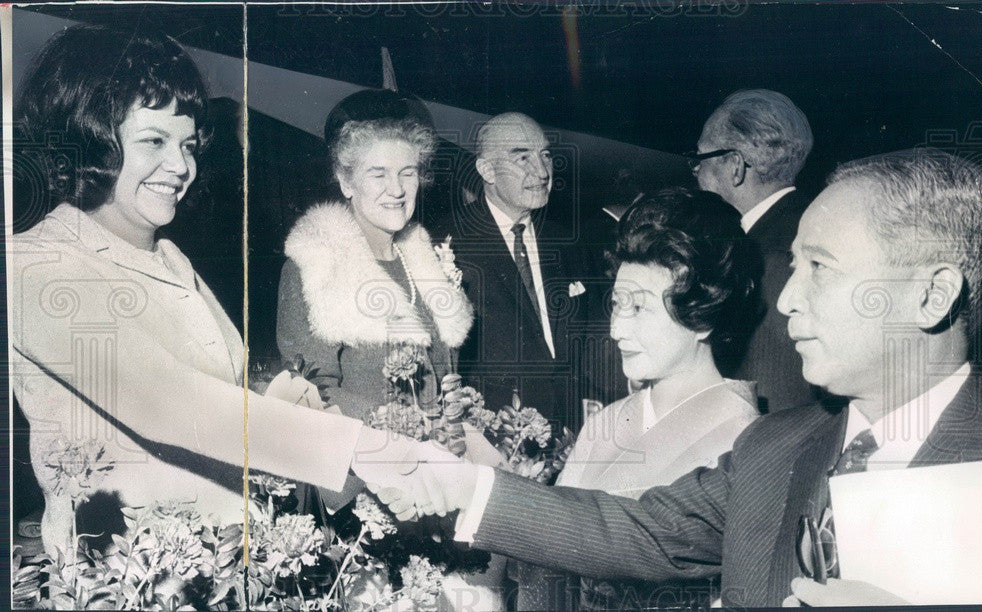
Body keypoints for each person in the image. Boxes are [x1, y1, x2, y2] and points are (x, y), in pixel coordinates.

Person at [383, 148, 982, 607]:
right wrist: (462, 484)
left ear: (931, 295)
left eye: (821, 268)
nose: (786, 301)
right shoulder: (773, 447)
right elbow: (635, 531)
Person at [9, 25, 448, 557]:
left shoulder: (171, 259)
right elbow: (176, 407)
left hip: (231, 563)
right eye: (154, 141)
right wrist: (370, 451)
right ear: (90, 138)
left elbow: (229, 405)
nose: (182, 166)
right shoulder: (35, 264)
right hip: (133, 579)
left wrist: (285, 403)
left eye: (188, 144)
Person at [511, 188, 760, 610]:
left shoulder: (744, 440)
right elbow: (548, 560)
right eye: (616, 304)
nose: (616, 330)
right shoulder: (606, 422)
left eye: (640, 308)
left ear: (702, 316)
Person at [275, 90, 474, 513]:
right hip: (358, 493)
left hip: (435, 485)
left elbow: (442, 381)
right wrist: (402, 435)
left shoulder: (427, 264)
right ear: (346, 181)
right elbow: (309, 396)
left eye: (408, 173)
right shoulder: (314, 265)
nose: (397, 190)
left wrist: (451, 412)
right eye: (378, 174)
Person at [430, 112, 590, 431]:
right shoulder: (446, 244)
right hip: (495, 437)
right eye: (522, 157)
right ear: (486, 169)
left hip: (575, 431)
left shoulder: (568, 240)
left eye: (545, 154)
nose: (542, 171)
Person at [688, 89, 817, 413]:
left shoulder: (754, 257)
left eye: (700, 159)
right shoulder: (815, 225)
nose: (696, 173)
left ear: (734, 166)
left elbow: (774, 389)